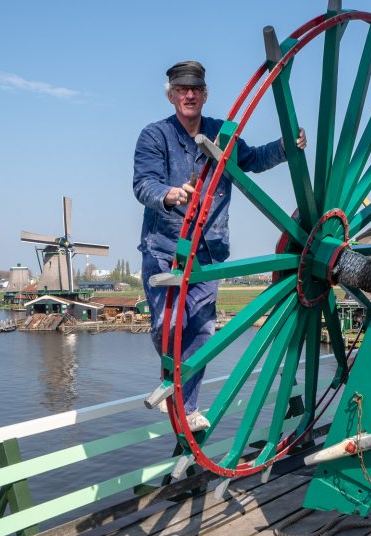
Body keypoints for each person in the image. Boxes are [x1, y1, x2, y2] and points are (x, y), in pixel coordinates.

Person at [133, 61, 306, 432]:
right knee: (167, 322)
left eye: (195, 89)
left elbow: (253, 160)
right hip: (166, 245)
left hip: (209, 252)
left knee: (200, 330)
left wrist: (285, 147)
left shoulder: (221, 135)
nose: (189, 95)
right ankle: (172, 382)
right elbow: (143, 184)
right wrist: (170, 194)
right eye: (181, 89)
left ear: (205, 94)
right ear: (172, 95)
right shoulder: (155, 136)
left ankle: (187, 406)